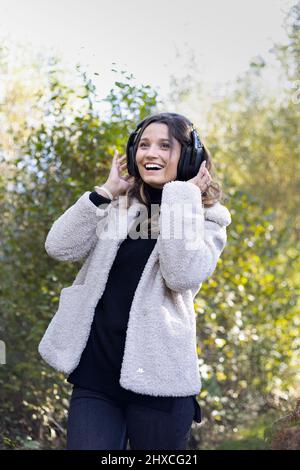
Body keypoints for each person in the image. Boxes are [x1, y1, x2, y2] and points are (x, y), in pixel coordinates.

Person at [38, 112, 232, 450]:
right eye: (143, 145)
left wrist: (182, 198)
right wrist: (105, 192)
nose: (150, 154)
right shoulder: (120, 207)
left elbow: (180, 272)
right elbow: (59, 247)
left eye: (164, 146)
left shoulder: (207, 219)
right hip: (96, 377)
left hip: (159, 382)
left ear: (188, 157)